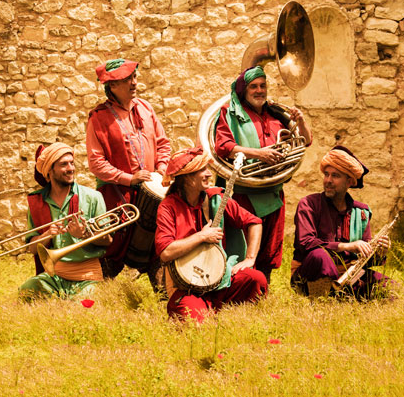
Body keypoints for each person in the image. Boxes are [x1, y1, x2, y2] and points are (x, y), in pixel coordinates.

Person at [214, 65, 312, 283]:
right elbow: (223, 146)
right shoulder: (229, 112)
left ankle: (261, 291)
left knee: (269, 250)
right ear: (243, 90)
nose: (259, 90)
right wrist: (257, 154)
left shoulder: (276, 114)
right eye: (253, 86)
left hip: (273, 191)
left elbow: (304, 142)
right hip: (244, 194)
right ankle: (240, 289)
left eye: (263, 85)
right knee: (244, 248)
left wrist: (301, 122)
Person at [155, 147, 268, 323]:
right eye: (202, 170)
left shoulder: (216, 198)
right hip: (186, 287)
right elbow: (165, 252)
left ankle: (231, 314)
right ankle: (202, 310)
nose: (209, 174)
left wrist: (250, 259)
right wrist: (202, 236)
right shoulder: (168, 207)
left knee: (256, 280)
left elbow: (254, 222)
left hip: (221, 280)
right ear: (186, 178)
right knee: (196, 323)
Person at [86, 58, 171, 284]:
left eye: (133, 77)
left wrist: (160, 171)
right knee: (112, 252)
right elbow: (96, 162)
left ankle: (165, 298)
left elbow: (163, 144)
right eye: (126, 80)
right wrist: (129, 179)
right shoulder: (98, 117)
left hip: (151, 194)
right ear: (112, 86)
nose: (133, 83)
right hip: (117, 197)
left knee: (157, 248)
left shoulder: (146, 108)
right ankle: (98, 298)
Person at [291, 146, 391, 299]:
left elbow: (364, 261)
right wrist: (346, 246)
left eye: (335, 176)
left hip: (349, 276)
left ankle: (343, 296)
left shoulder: (361, 212)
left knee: (389, 287)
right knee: (320, 256)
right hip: (310, 275)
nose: (328, 181)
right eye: (326, 174)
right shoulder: (309, 204)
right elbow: (305, 243)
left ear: (349, 182)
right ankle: (322, 301)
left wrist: (379, 252)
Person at [19, 142, 112, 300]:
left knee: (81, 309)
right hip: (56, 276)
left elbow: (108, 240)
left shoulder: (93, 197)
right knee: (27, 290)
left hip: (87, 277)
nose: (71, 168)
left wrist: (85, 234)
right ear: (50, 171)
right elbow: (32, 248)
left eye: (71, 163)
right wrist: (46, 235)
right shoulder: (37, 202)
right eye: (63, 164)